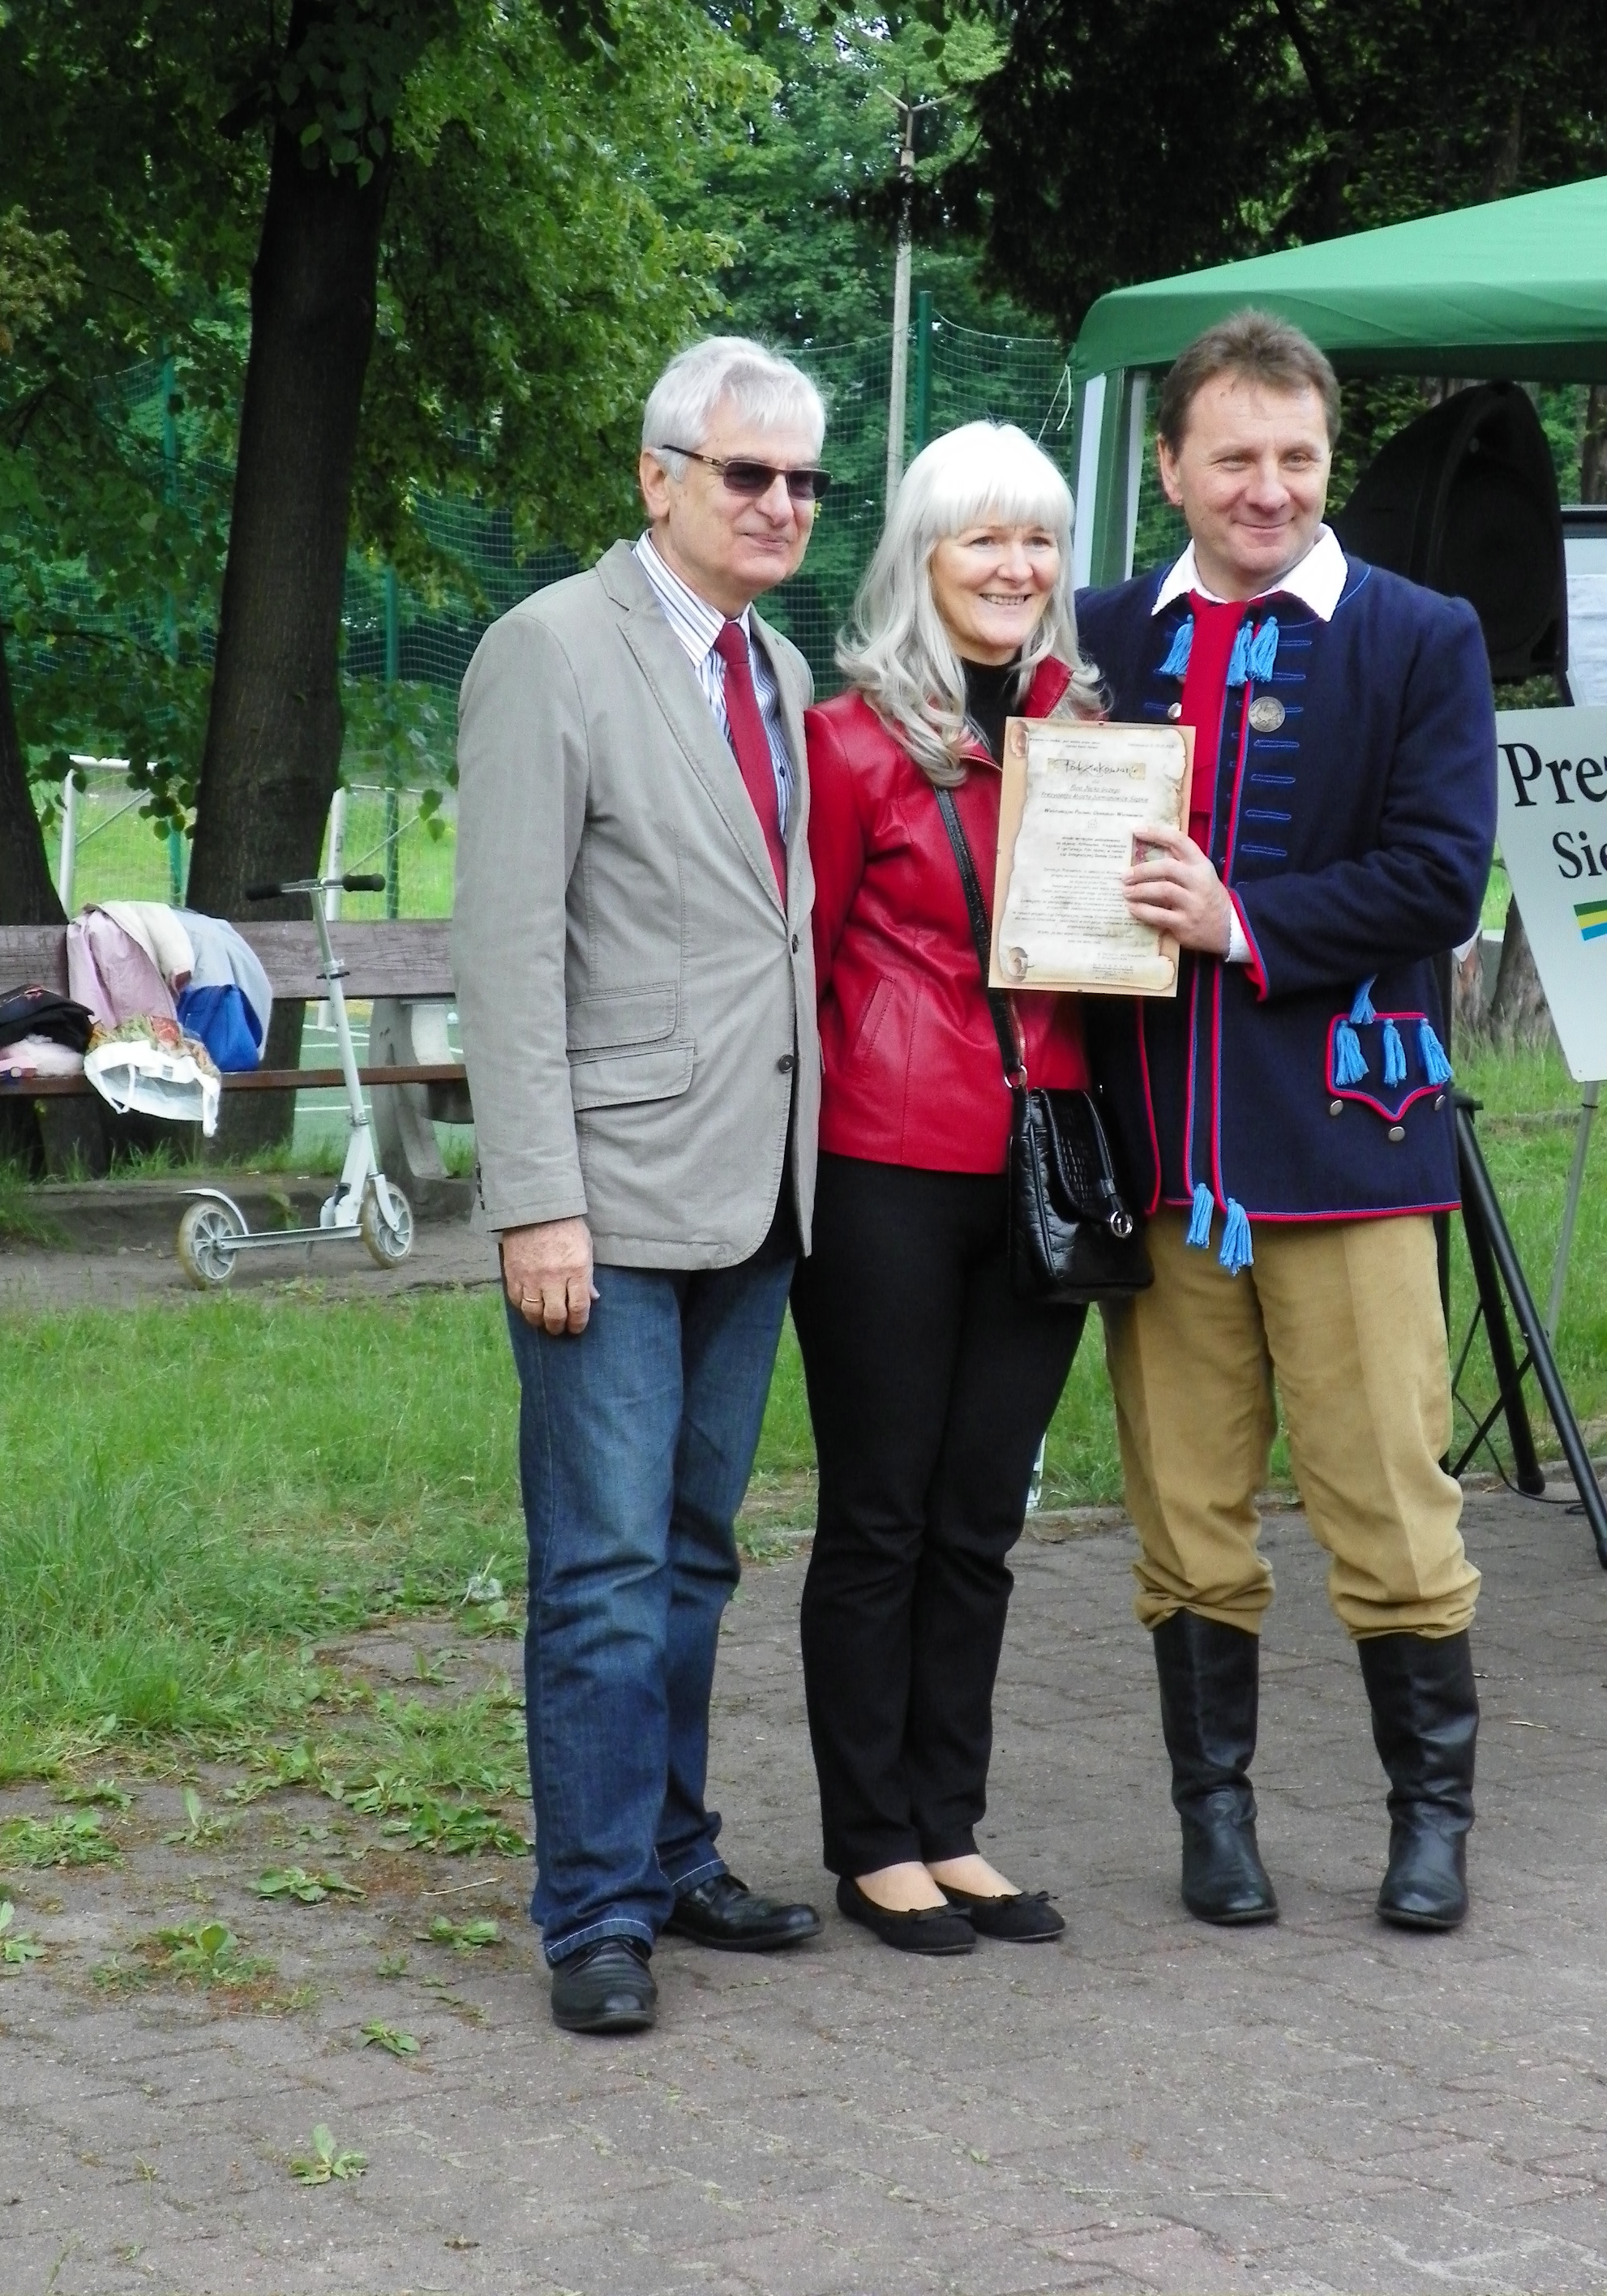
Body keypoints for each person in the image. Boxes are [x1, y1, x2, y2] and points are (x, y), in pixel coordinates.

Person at [1077, 311, 1496, 1933]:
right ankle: (1216, 1823)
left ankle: (1429, 1822)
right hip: (1160, 1156)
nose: (1268, 488)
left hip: (1345, 1149)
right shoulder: (1100, 635)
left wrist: (1236, 920)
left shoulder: (1420, 634)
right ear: (1171, 466)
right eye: (1235, 456)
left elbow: (1437, 876)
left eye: (1297, 456)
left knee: (1388, 1500)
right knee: (1185, 1512)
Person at [454, 337, 829, 2034]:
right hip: (600, 1203)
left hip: (755, 1192)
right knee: (602, 1571)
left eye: (803, 481)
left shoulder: (780, 668)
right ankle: (595, 1913)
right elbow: (506, 949)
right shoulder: (547, 648)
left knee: (690, 1556)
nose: (778, 505)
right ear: (656, 476)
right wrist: (536, 1199)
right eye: (747, 473)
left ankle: (672, 1854)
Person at [793, 422, 1102, 1957]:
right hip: (887, 1162)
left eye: (1038, 539)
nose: (1014, 566)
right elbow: (805, 966)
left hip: (1046, 1160)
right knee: (883, 1513)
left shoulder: (1091, 739)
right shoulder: (849, 742)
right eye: (983, 537)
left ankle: (950, 1826)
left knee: (981, 1513)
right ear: (922, 556)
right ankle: (873, 1845)